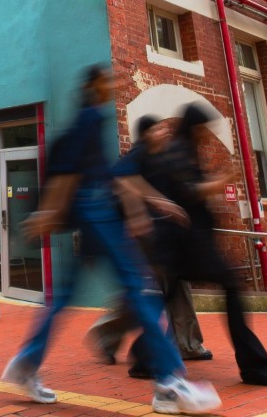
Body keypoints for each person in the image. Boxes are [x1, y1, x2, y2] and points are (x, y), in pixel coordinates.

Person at [1, 66, 220, 414]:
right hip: (99, 215)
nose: (114, 84)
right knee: (143, 291)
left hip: (93, 217)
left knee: (65, 297)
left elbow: (113, 177)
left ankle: (26, 365)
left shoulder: (91, 119)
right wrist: (49, 212)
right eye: (107, 80)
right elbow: (69, 174)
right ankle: (169, 383)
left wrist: (152, 203)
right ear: (93, 86)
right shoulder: (89, 119)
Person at [150, 102, 267, 388]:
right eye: (203, 128)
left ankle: (145, 360)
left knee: (162, 300)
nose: (205, 135)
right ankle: (256, 367)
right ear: (194, 127)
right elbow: (188, 191)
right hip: (186, 245)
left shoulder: (182, 151)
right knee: (228, 286)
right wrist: (221, 182)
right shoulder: (178, 152)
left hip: (183, 245)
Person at [86, 116, 211, 369]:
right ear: (145, 135)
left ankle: (187, 343)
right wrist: (139, 215)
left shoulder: (159, 158)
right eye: (158, 128)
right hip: (141, 237)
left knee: (171, 288)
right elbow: (121, 181)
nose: (164, 132)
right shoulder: (138, 154)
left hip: (162, 235)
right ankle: (107, 335)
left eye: (164, 128)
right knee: (151, 293)